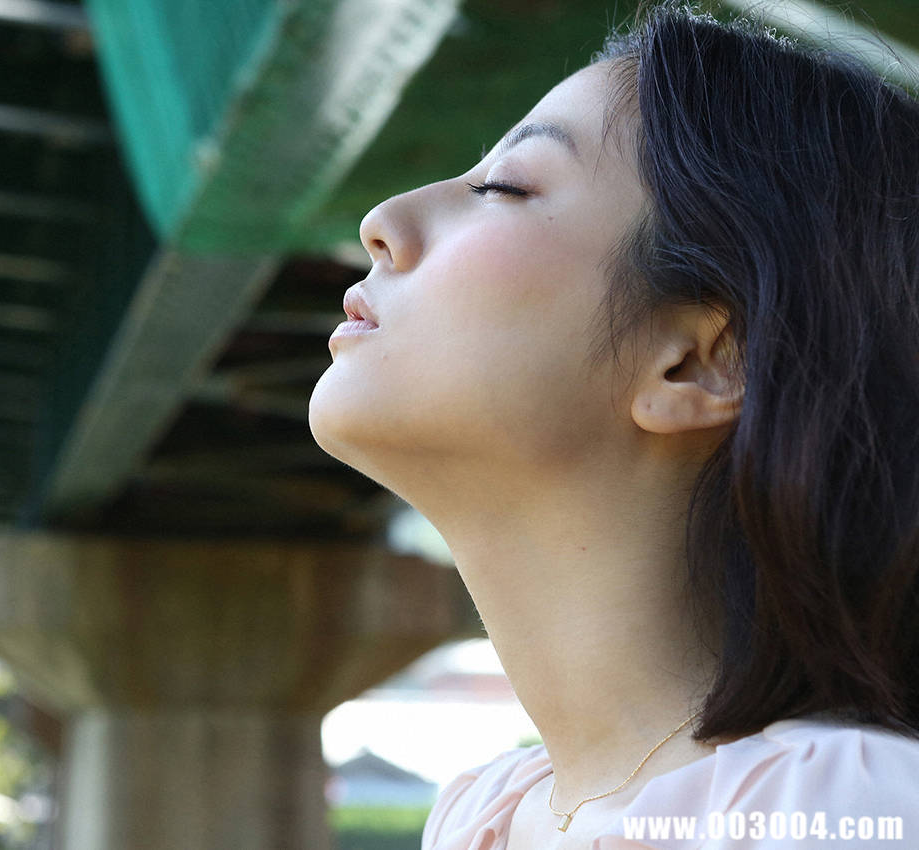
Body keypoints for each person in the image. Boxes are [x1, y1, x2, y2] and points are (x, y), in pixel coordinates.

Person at [307, 1, 919, 848]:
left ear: (702, 362)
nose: (382, 221)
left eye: (503, 188)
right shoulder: (484, 818)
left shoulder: (846, 813)